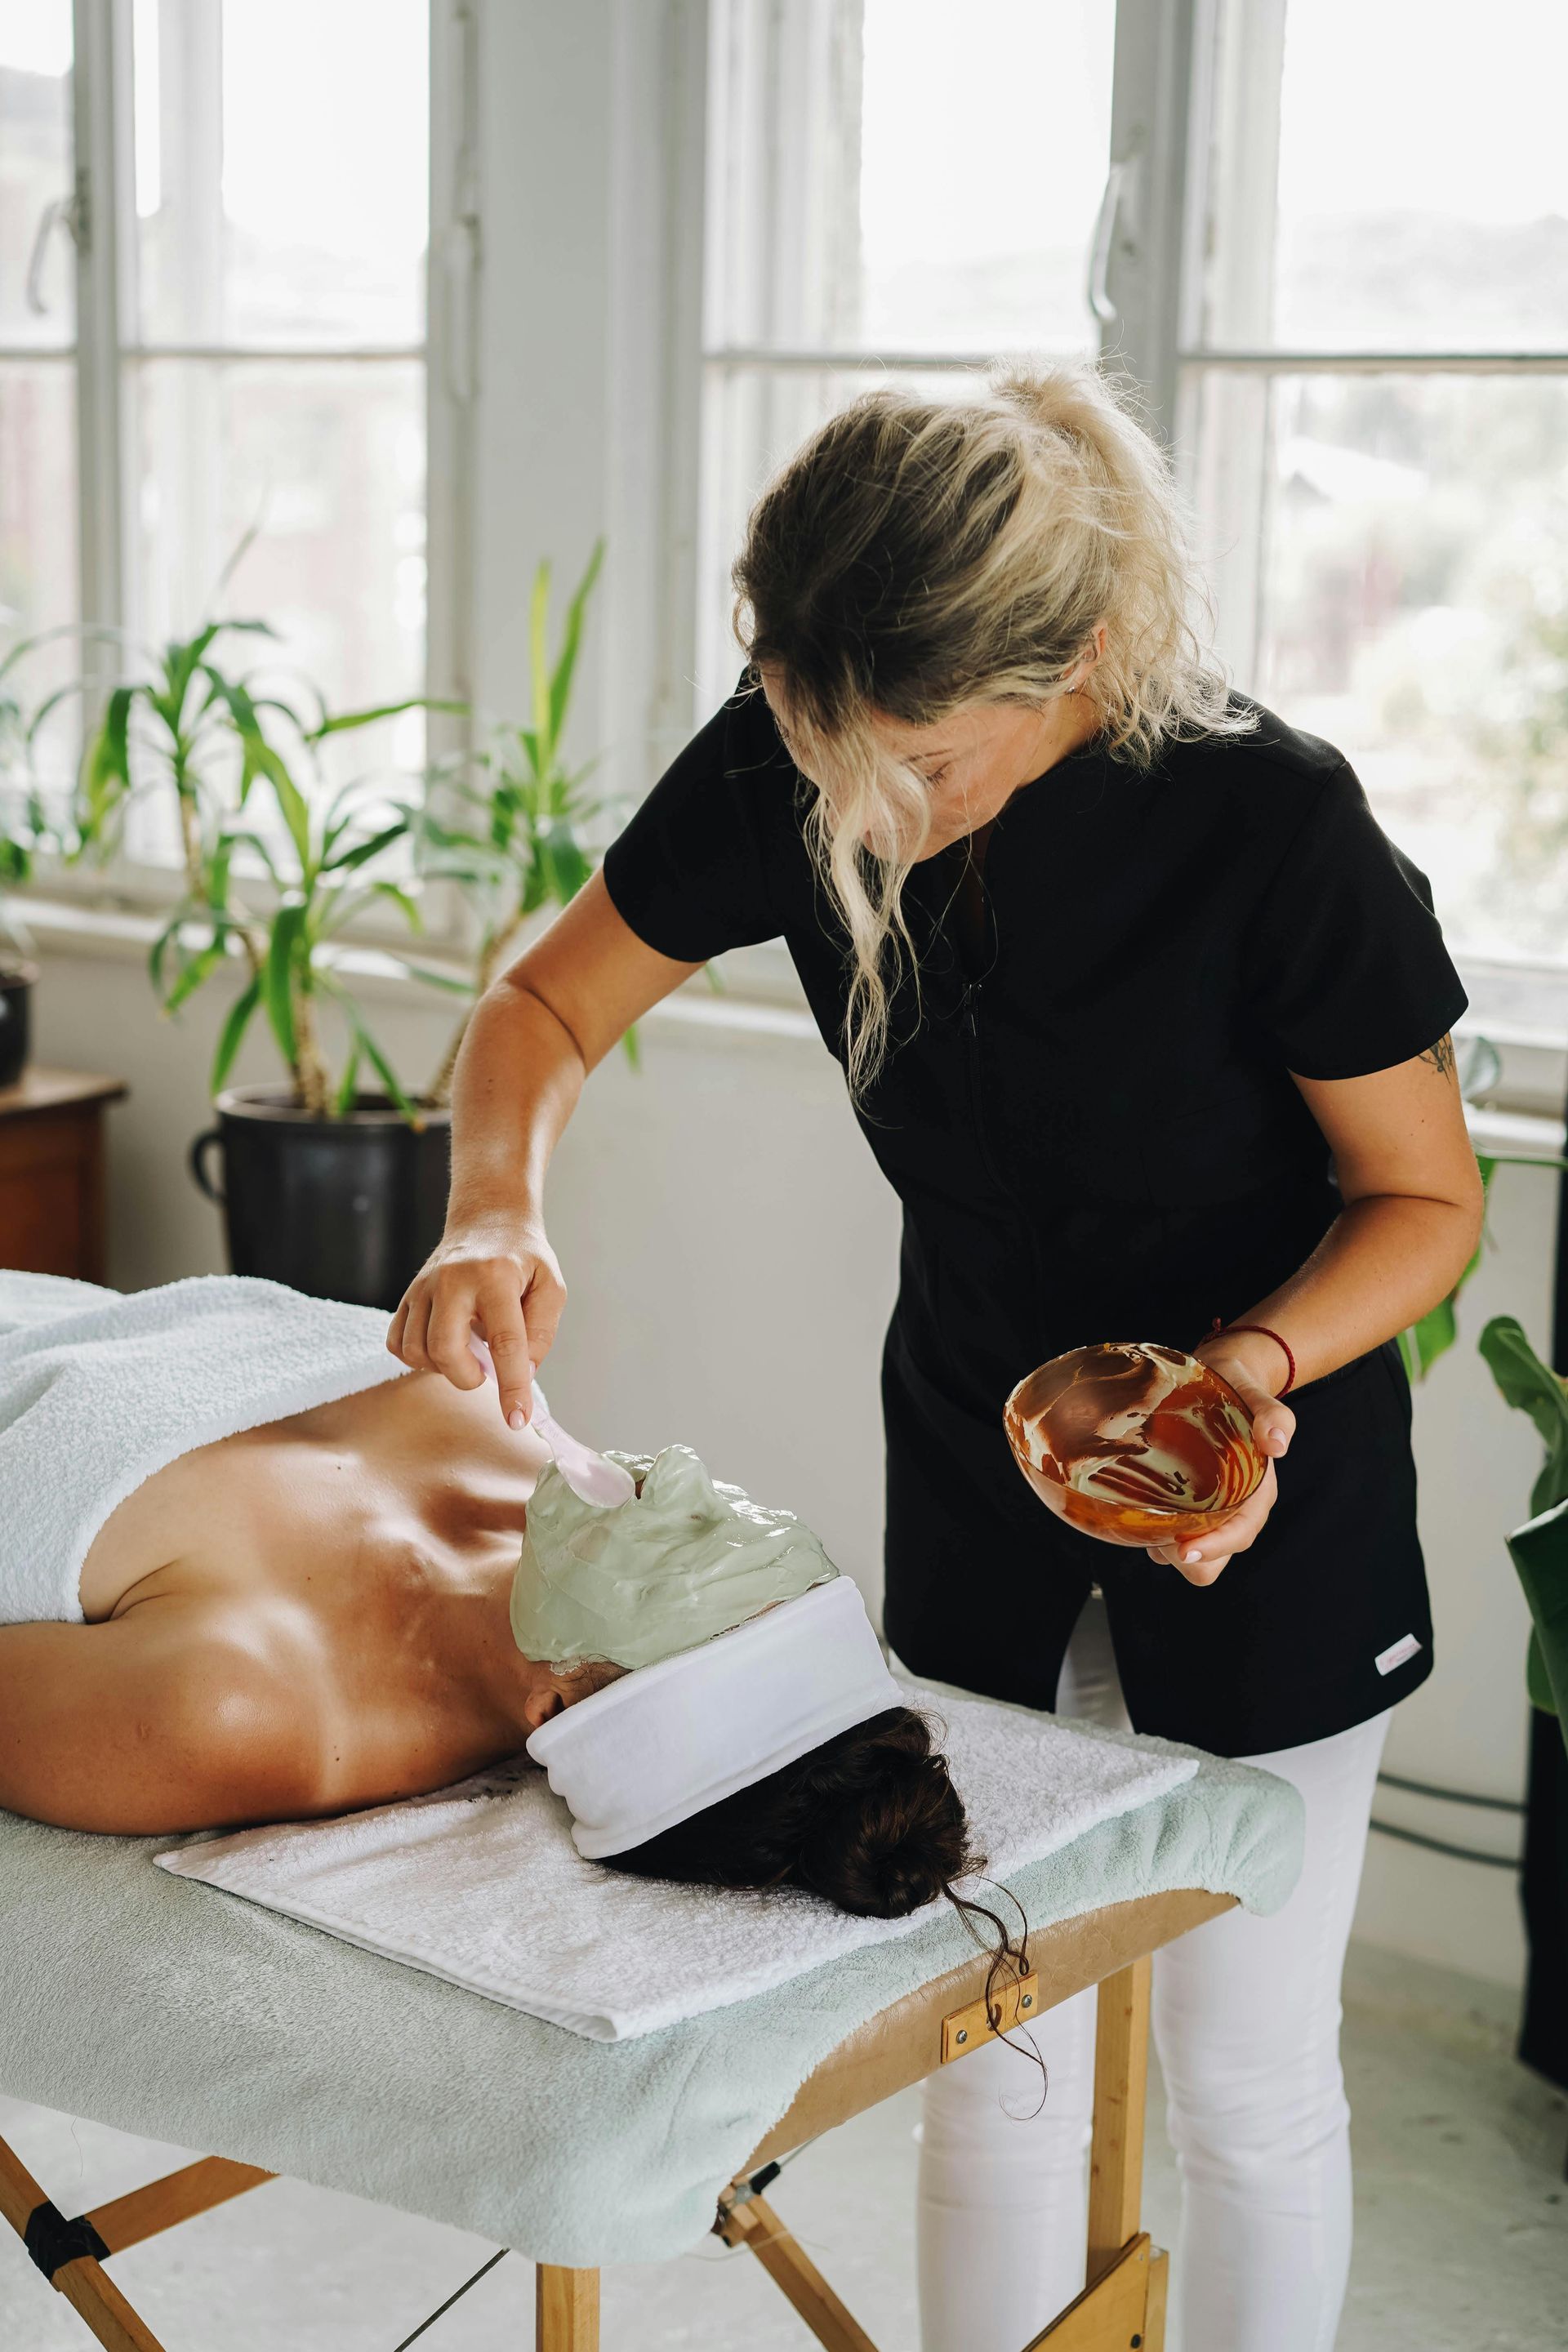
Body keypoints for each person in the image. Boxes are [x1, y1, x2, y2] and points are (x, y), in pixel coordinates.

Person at [390, 362, 1484, 2352]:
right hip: (976, 1443)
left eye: (930, 773)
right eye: (832, 766)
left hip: (1271, 1459)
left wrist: (1237, 1375)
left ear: (1075, 654)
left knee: (1245, 2075)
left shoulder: (1267, 823)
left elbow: (1423, 1199)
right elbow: (544, 1003)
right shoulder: (798, 752)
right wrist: (491, 1205)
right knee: (986, 2040)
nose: (866, 823)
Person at [0, 1272, 975, 1942]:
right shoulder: (549, 1491)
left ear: (560, 1707)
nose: (683, 1478)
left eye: (697, 1567)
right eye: (748, 1537)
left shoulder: (238, 1708)